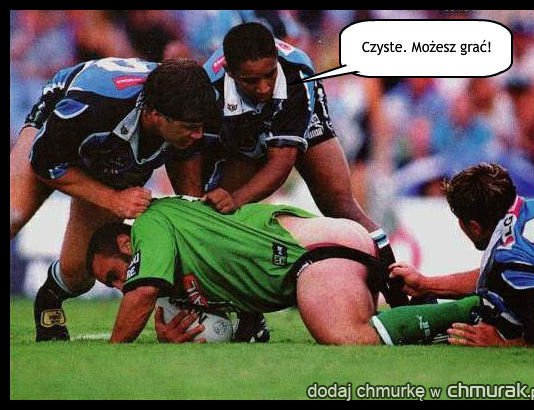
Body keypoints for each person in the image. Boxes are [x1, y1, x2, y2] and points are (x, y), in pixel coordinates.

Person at [10, 56, 226, 342]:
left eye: (200, 125)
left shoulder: (197, 104)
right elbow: (43, 161)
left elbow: (192, 210)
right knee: (12, 215)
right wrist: (112, 199)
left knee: (78, 274)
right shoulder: (94, 106)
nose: (199, 134)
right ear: (154, 115)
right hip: (56, 131)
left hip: (115, 149)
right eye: (190, 126)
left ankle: (50, 294)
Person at [201, 23, 407, 307]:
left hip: (297, 117)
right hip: (240, 127)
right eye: (251, 81)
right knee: (227, 215)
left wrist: (235, 199)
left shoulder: (296, 72)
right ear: (230, 72)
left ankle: (401, 297)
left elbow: (281, 164)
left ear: (276, 61)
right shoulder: (207, 86)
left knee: (340, 205)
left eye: (269, 75)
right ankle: (246, 312)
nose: (264, 88)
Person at [86, 195, 478, 344]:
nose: (121, 287)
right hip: (324, 254)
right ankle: (447, 321)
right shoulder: (183, 254)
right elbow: (235, 318)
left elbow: (142, 292)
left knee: (346, 337)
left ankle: (471, 308)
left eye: (115, 275)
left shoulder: (150, 224)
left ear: (126, 244)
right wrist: (177, 336)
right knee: (377, 327)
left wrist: (116, 346)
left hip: (313, 254)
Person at [389, 163, 534, 347]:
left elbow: (511, 273)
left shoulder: (509, 264)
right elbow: (497, 276)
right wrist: (425, 284)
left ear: (474, 227)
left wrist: (504, 343)